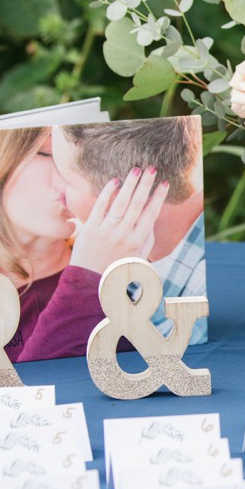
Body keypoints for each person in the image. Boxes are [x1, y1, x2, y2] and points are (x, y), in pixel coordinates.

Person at [0, 126, 166, 362]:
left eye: (84, 161)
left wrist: (88, 280)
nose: (70, 176)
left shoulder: (108, 280)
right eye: (48, 154)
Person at [46, 116, 208, 348]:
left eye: (66, 178)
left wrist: (84, 281)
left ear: (124, 195)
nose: (56, 191)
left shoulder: (200, 289)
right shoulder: (128, 253)